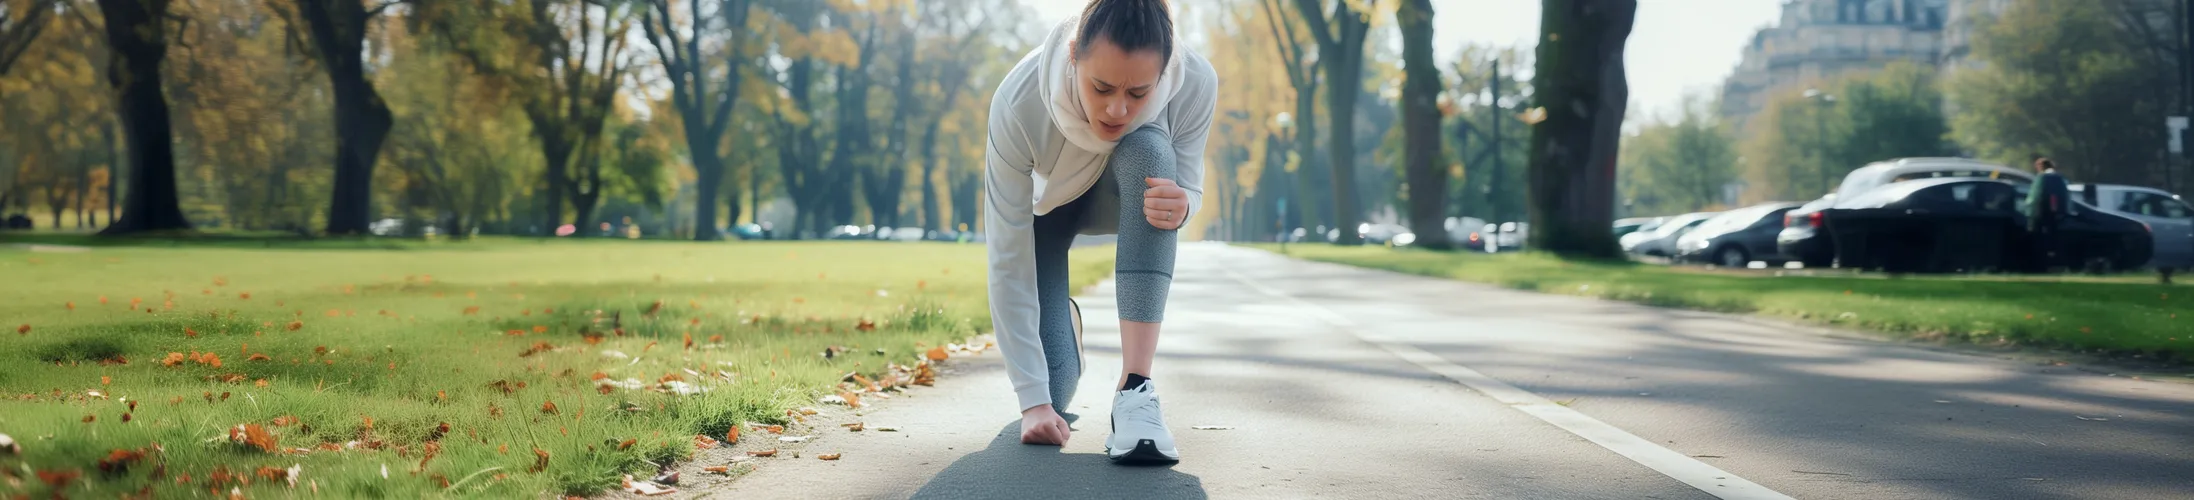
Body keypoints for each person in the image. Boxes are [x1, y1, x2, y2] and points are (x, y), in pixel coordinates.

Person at [982, 0, 1216, 464]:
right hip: (1050, 214)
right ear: (1074, 53)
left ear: (1165, 70)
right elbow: (1007, 251)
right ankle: (1063, 329)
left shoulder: (1195, 81)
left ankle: (1136, 389)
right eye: (1102, 86)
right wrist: (1033, 402)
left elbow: (1189, 186)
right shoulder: (1017, 101)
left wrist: (1184, 203)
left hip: (1130, 192)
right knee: (1054, 390)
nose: (1117, 108)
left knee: (1150, 151)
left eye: (1138, 93)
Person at [2021, 156, 2072, 269]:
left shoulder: (2045, 178)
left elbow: (2040, 197)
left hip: (2042, 214)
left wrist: (2030, 211)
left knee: (2041, 239)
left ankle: (2041, 263)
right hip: (2055, 214)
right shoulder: (2058, 178)